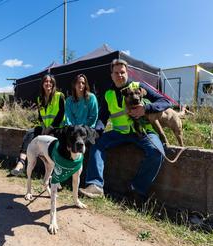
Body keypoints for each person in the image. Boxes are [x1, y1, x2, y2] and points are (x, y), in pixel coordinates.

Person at [79, 59, 172, 202]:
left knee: (157, 152)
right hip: (119, 133)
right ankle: (95, 186)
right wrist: (97, 131)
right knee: (96, 143)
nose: (119, 75)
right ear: (111, 75)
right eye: (116, 73)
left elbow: (166, 101)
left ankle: (137, 189)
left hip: (142, 131)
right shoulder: (108, 94)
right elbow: (102, 118)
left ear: (127, 72)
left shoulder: (139, 86)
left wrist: (146, 109)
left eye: (122, 72)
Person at [11, 74, 65, 176]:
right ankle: (21, 162)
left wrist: (50, 128)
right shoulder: (40, 99)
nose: (48, 83)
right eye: (46, 81)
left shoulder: (59, 96)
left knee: (53, 143)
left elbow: (61, 114)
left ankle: (56, 176)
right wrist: (44, 127)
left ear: (53, 84)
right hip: (45, 128)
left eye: (50, 81)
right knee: (30, 133)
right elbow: (41, 117)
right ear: (42, 84)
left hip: (58, 128)